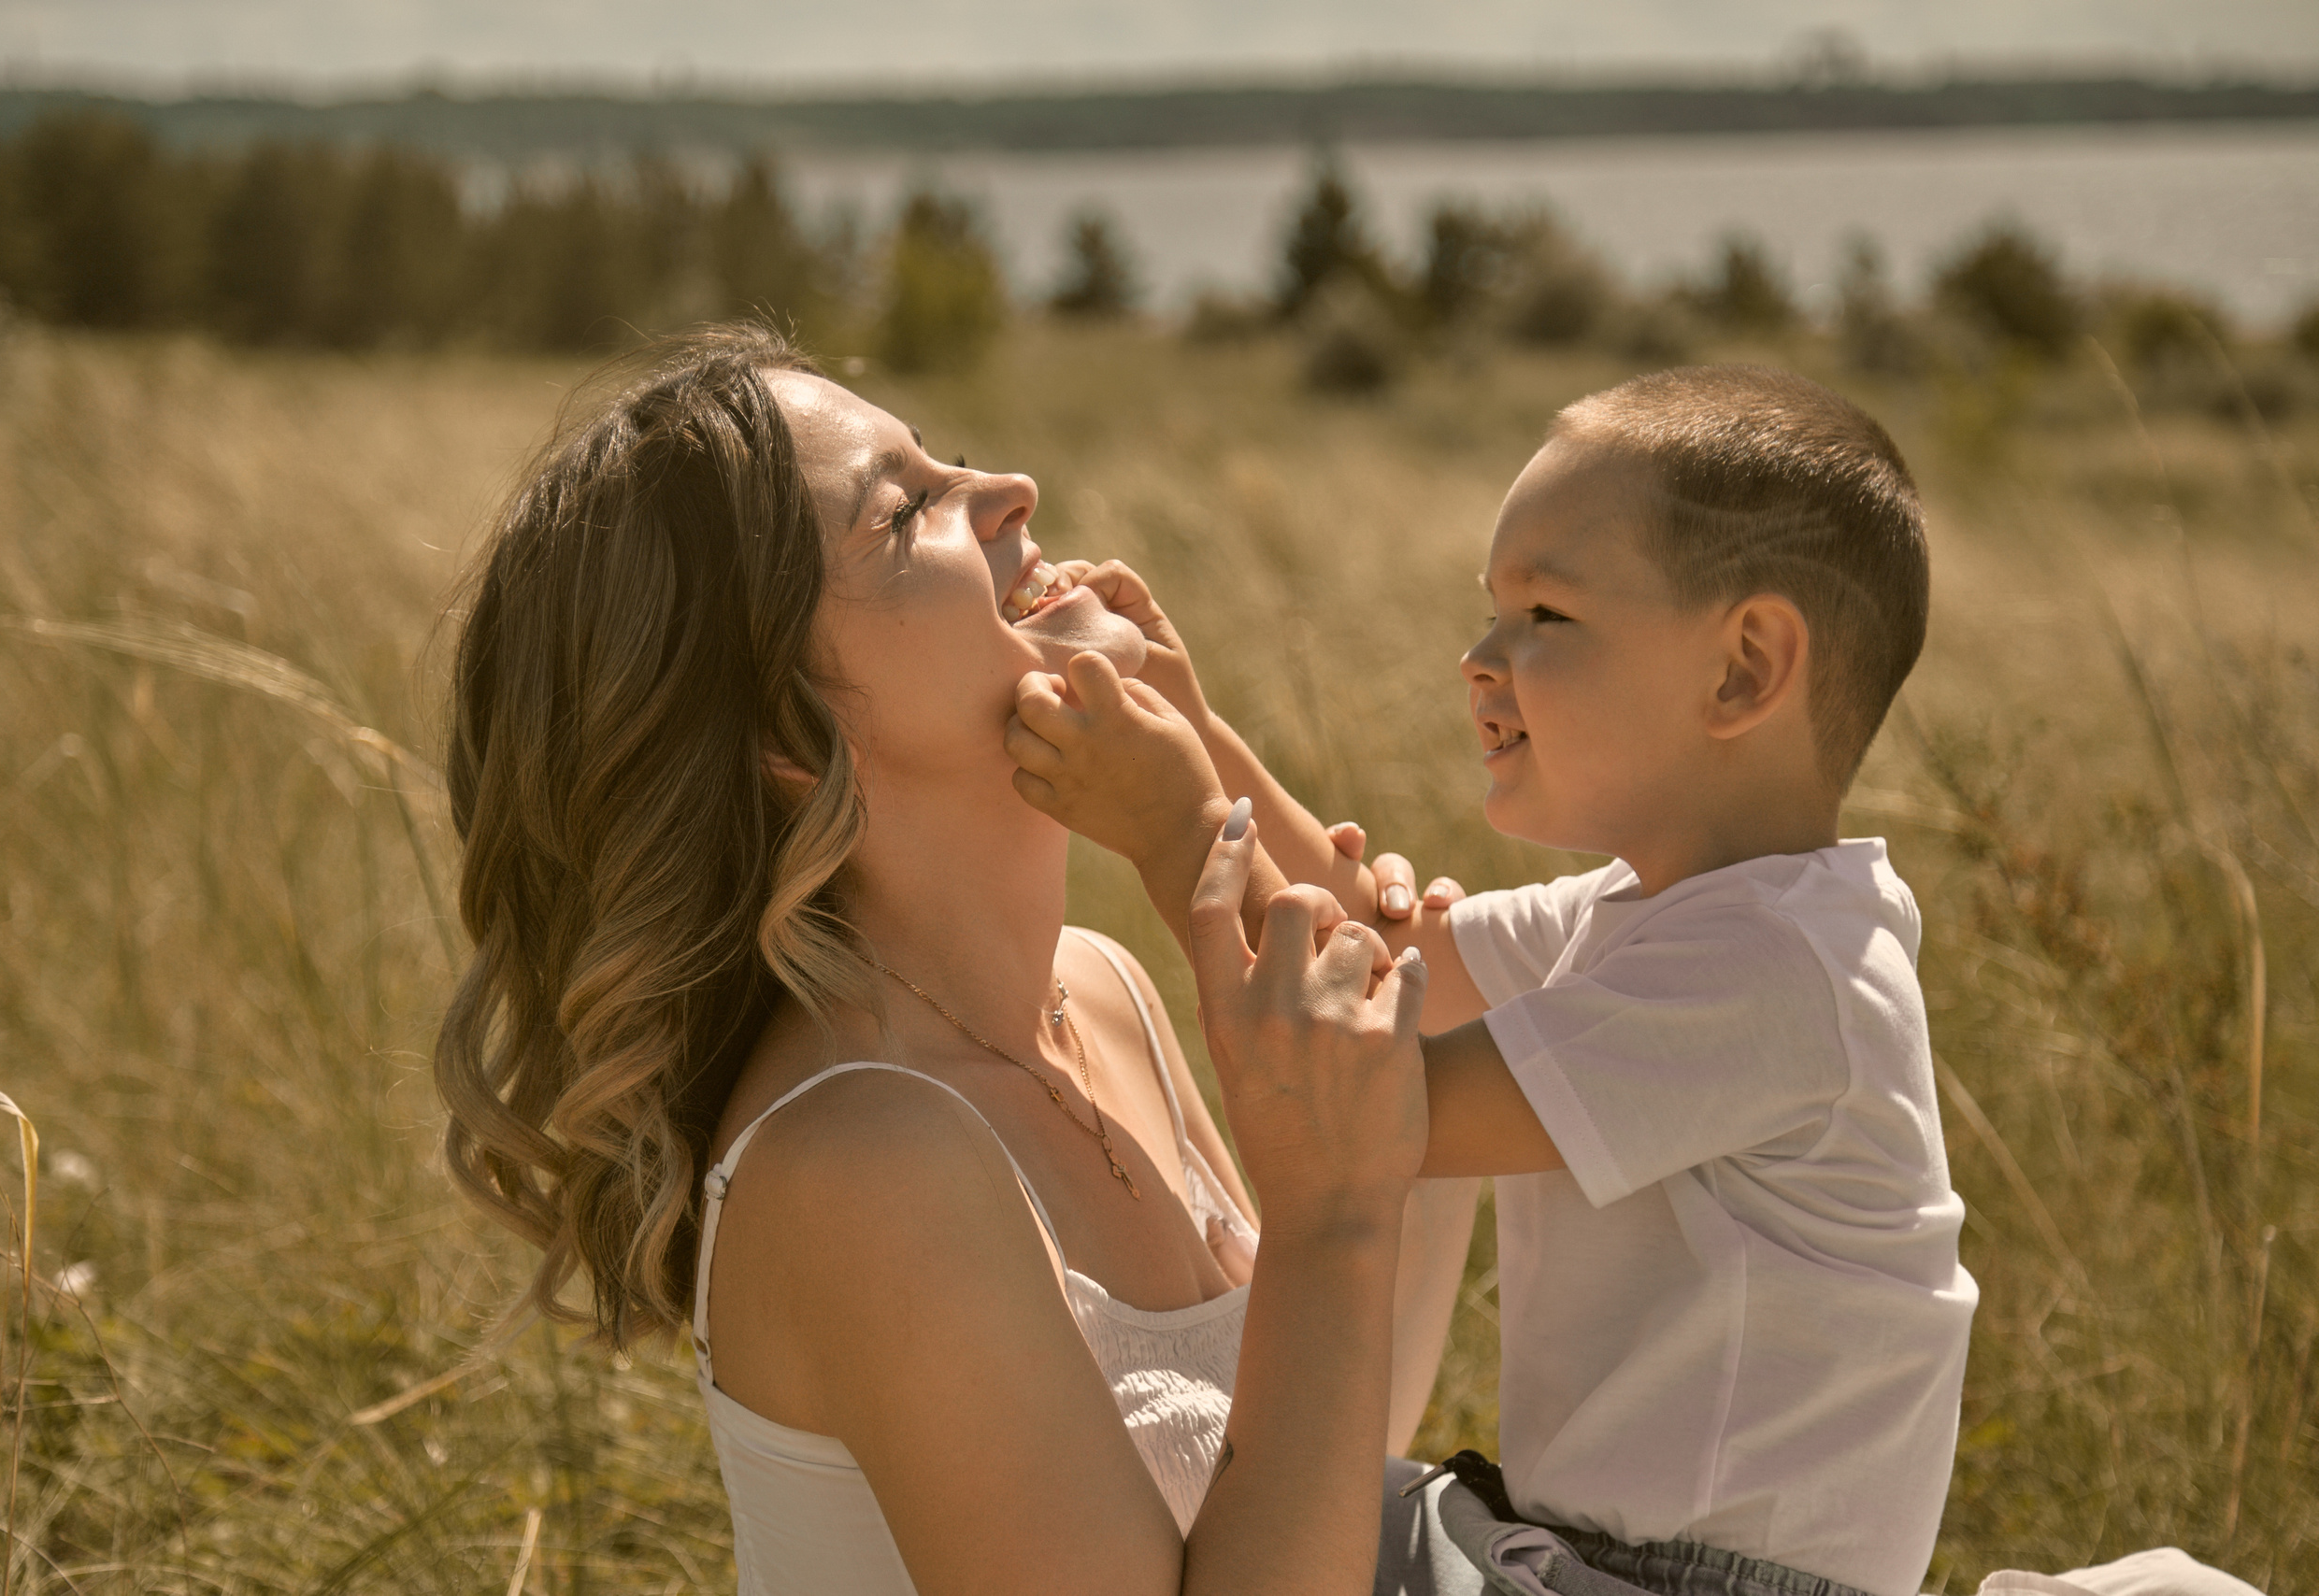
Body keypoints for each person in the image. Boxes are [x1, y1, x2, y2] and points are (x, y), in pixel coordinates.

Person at [429, 324, 1441, 1596]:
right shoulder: (865, 1157)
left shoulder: (1100, 996)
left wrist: (1389, 1026)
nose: (1010, 488)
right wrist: (1334, 1215)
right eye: (907, 511)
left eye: (945, 461)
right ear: (782, 735)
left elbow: (1322, 1479)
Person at [1008, 365, 1979, 1596]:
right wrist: (1193, 726)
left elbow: (1377, 1105)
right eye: (1492, 611)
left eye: (1545, 618)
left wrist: (1175, 829)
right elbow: (1395, 959)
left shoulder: (1778, 973)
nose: (1479, 658)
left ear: (1742, 672)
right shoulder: (1662, 912)